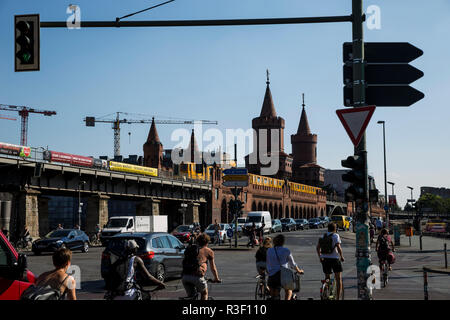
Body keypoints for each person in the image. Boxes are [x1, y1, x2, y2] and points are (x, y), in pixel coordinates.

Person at [182, 233, 221, 300]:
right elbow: (213, 268)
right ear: (207, 242)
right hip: (197, 277)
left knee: (191, 296)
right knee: (204, 293)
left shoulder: (191, 249)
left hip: (185, 276)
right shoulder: (209, 251)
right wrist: (216, 278)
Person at [266, 234, 304, 300]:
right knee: (288, 291)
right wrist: (299, 271)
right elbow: (292, 264)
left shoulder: (269, 250)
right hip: (283, 275)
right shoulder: (286, 250)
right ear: (283, 242)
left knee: (273, 294)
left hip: (272, 275)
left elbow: (268, 263)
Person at [316, 222, 345, 300]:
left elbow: (318, 248)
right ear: (335, 229)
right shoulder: (336, 236)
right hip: (334, 259)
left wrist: (320, 257)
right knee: (338, 279)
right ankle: (338, 298)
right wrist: (341, 256)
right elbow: (338, 247)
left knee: (327, 277)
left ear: (328, 228)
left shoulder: (323, 236)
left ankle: (326, 290)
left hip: (325, 259)